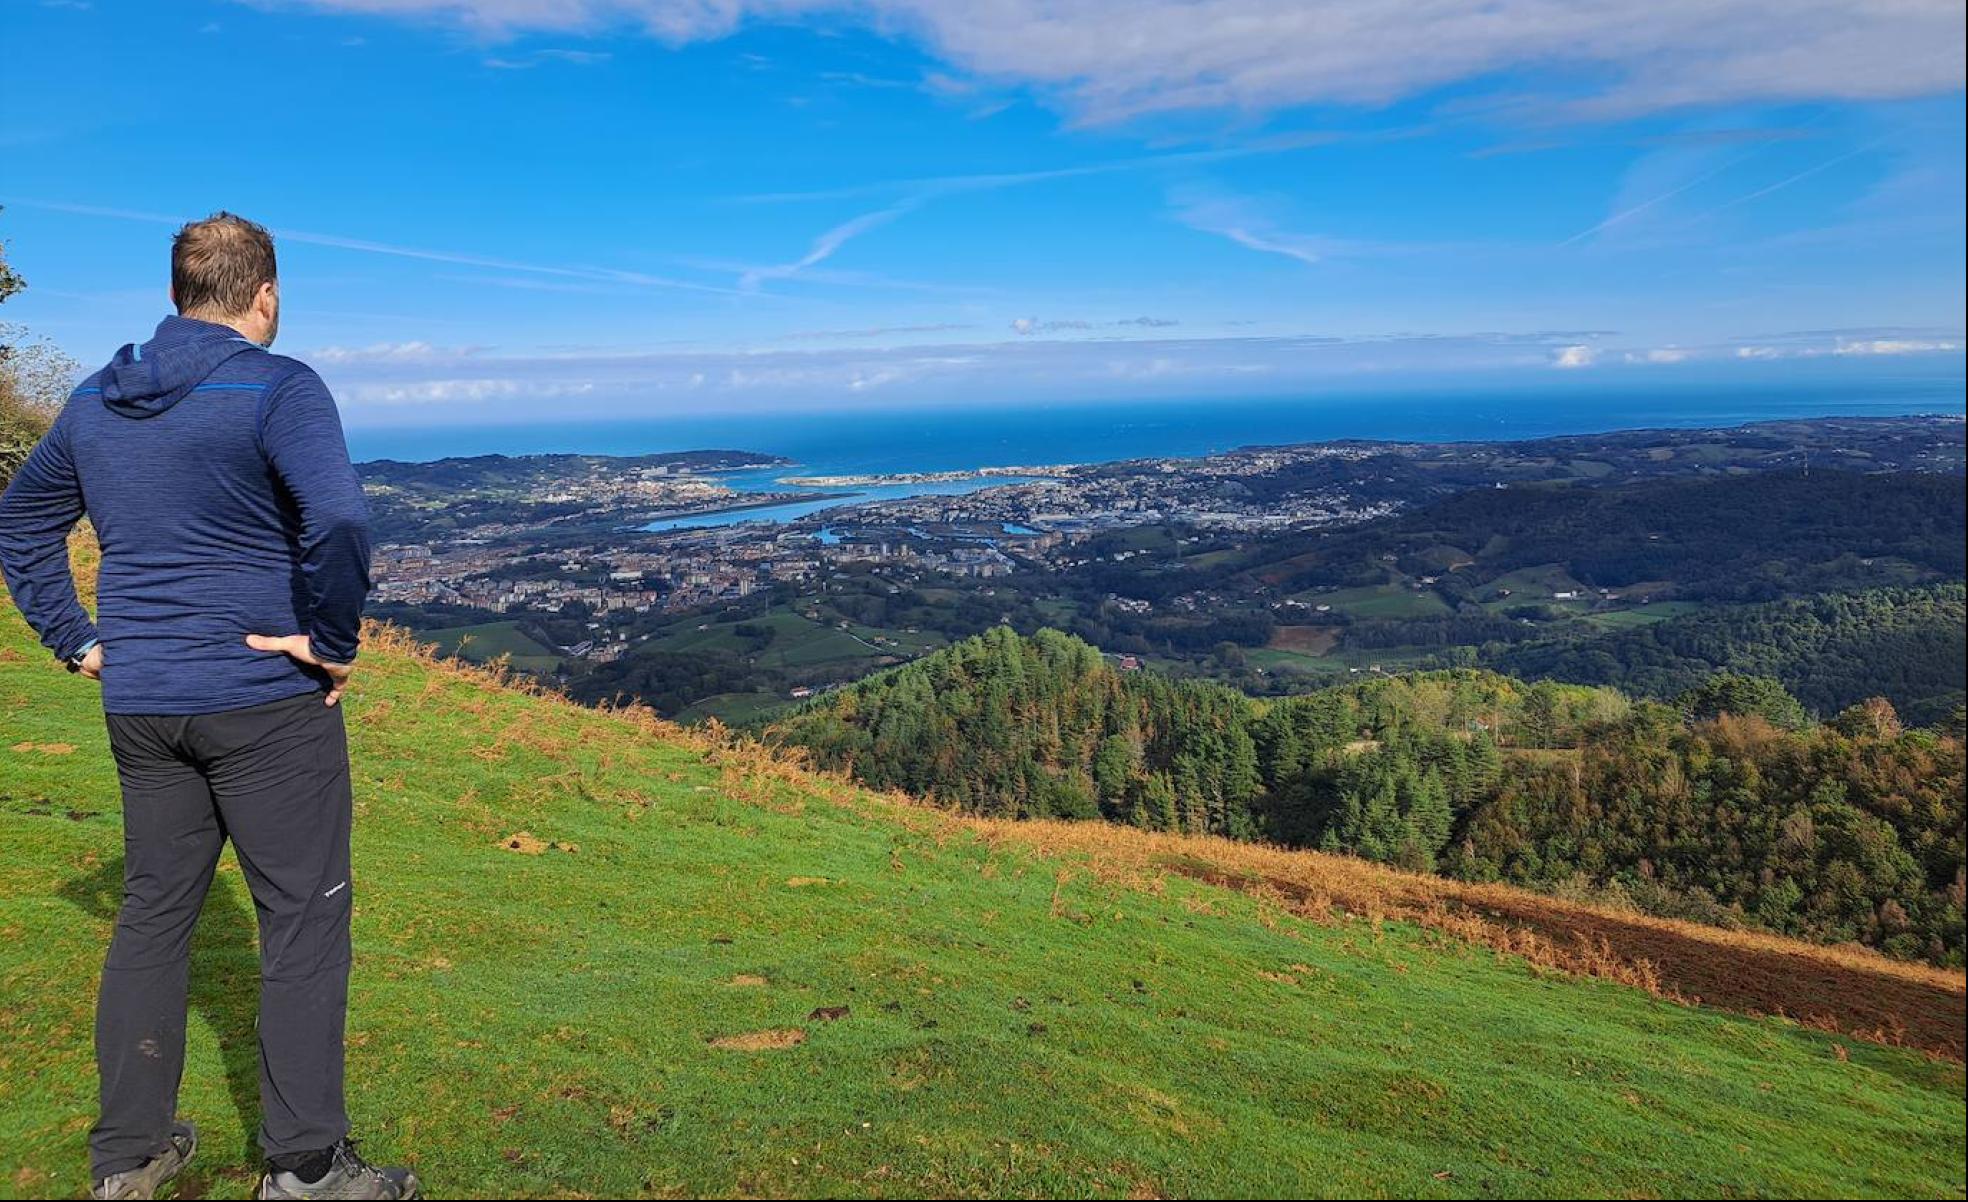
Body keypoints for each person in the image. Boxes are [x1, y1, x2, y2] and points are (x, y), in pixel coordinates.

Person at [0, 213, 418, 1201]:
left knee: (152, 915)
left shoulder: (95, 399)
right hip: (264, 701)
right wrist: (331, 639)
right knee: (303, 920)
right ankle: (305, 1167)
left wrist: (79, 638)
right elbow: (340, 517)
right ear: (264, 293)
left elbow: (19, 519)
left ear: (178, 293)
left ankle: (127, 1157)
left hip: (143, 704)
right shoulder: (279, 387)